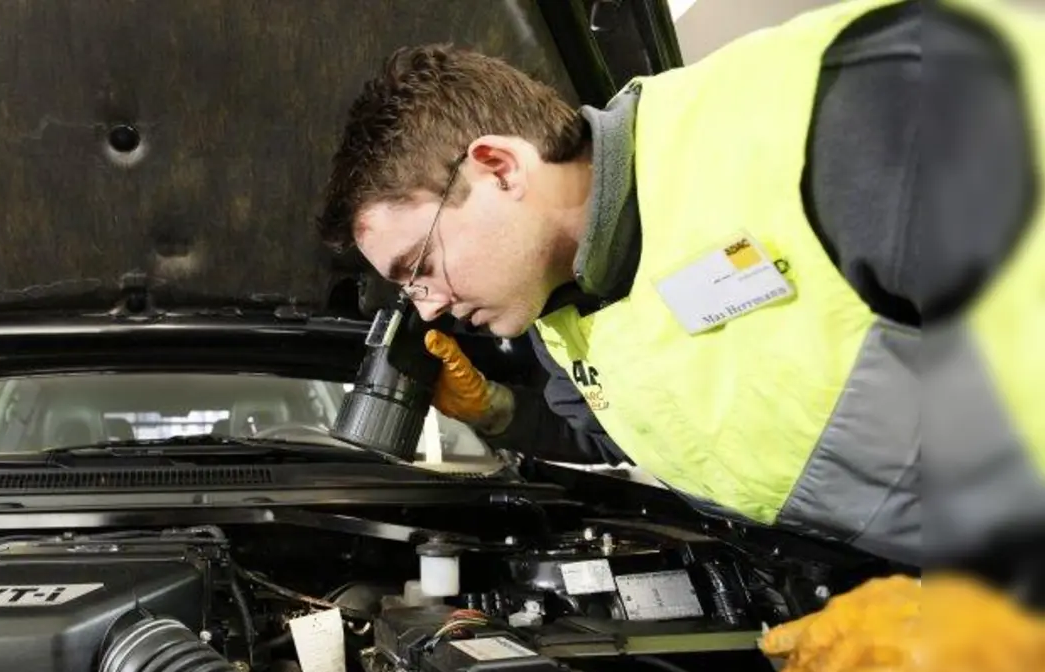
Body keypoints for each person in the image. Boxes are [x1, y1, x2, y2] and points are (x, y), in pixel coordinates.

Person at [315, 0, 1037, 568]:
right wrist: (499, 410)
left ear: (499, 167)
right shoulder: (563, 314)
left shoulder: (843, 113)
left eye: (419, 267)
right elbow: (632, 433)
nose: (431, 304)